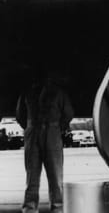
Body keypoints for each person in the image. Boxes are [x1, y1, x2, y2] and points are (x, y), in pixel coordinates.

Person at [16, 69, 74, 213]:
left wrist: (56, 129)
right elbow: (20, 115)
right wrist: (31, 127)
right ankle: (30, 208)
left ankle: (58, 208)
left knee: (55, 176)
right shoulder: (28, 93)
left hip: (50, 134)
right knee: (32, 176)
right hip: (35, 133)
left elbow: (68, 114)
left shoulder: (58, 93)